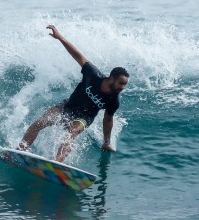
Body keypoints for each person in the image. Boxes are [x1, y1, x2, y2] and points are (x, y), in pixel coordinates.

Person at [18, 25, 129, 163]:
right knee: (40, 122)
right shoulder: (93, 74)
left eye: (125, 84)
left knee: (72, 132)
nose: (123, 87)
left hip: (84, 118)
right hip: (67, 106)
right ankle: (20, 150)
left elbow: (108, 120)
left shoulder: (113, 100)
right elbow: (77, 55)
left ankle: (57, 163)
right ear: (112, 78)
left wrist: (106, 142)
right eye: (121, 83)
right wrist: (59, 38)